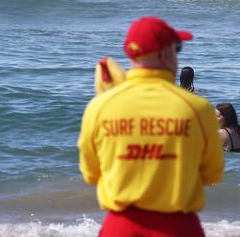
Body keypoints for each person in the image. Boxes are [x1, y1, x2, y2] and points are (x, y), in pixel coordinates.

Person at [78, 16, 224, 237]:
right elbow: (212, 173)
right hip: (178, 228)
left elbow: (90, 174)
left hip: (120, 227)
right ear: (166, 53)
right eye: (177, 49)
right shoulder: (198, 109)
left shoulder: (99, 106)